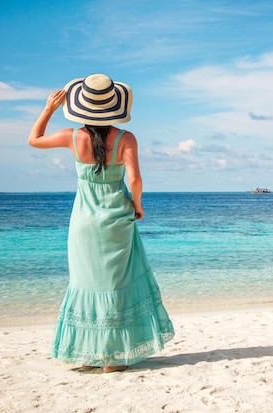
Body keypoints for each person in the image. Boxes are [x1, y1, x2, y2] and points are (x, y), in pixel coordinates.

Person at [28, 73, 175, 373]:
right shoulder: (125, 138)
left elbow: (34, 140)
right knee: (117, 284)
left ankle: (88, 354)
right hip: (117, 220)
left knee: (86, 284)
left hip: (83, 223)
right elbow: (134, 179)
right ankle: (112, 359)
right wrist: (137, 206)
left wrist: (48, 109)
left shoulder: (72, 136)